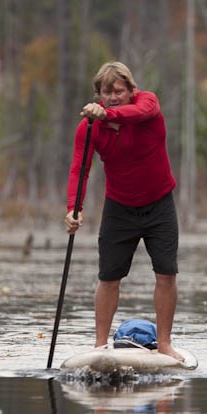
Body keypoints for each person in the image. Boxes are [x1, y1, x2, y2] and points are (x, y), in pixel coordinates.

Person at [65, 61, 185, 362]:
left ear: (132, 90)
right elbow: (80, 169)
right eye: (107, 93)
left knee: (166, 273)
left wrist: (108, 114)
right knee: (108, 276)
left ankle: (164, 344)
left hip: (159, 204)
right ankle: (100, 346)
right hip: (119, 207)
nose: (113, 97)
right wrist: (73, 208)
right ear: (98, 95)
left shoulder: (148, 103)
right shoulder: (89, 128)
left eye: (119, 91)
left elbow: (139, 112)